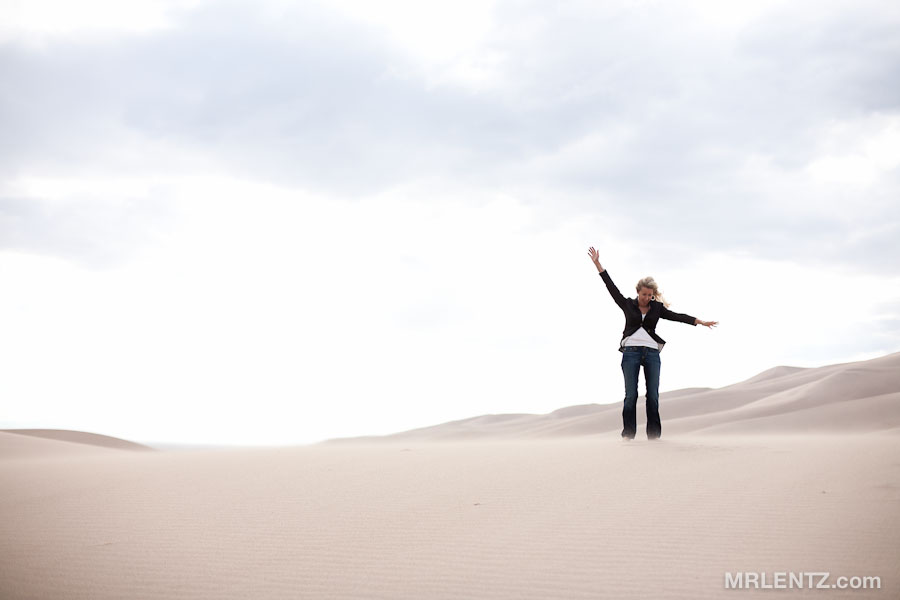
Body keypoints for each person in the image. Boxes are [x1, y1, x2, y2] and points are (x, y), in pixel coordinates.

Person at [587, 246, 717, 440]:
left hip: (652, 354)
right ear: (638, 292)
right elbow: (611, 287)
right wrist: (598, 264)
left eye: (650, 295)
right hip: (630, 352)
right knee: (631, 395)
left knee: (653, 396)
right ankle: (628, 435)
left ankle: (654, 437)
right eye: (644, 295)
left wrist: (699, 321)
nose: (647, 298)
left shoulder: (656, 308)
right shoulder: (627, 304)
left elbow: (676, 316)